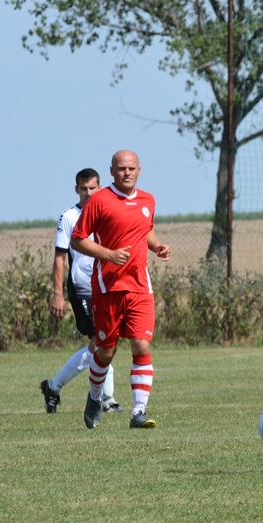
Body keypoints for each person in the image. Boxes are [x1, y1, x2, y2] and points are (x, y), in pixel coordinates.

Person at [71, 150, 171, 429]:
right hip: (108, 287)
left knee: (141, 345)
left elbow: (145, 229)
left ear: (139, 170)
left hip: (140, 286)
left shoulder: (148, 200)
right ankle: (94, 397)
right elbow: (77, 240)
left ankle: (139, 412)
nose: (127, 172)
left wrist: (157, 246)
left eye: (131, 168)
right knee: (106, 351)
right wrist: (108, 254)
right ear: (112, 171)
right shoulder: (99, 200)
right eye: (121, 168)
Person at [40, 168, 124, 414]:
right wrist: (58, 295)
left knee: (105, 341)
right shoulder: (69, 217)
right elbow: (59, 258)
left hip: (106, 285)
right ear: (76, 189)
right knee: (100, 342)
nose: (88, 193)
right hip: (83, 287)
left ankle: (53, 386)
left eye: (93, 188)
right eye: (83, 189)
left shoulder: (108, 212)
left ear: (101, 188)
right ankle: (106, 400)